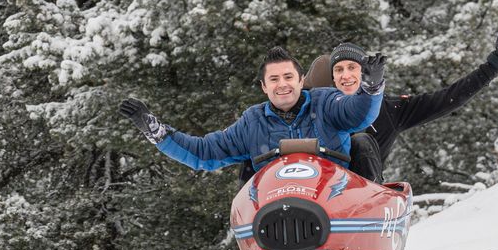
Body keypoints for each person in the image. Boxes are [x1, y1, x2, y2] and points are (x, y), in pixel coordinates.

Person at [238, 17, 498, 184]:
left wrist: (496, 63)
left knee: (361, 142)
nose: (346, 76)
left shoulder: (390, 110)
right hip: (309, 187)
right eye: (338, 70)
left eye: (353, 68)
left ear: (366, 72)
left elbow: (448, 99)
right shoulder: (312, 107)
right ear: (331, 78)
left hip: (357, 195)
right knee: (256, 150)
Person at [119, 46, 387, 176]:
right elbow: (204, 153)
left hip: (335, 199)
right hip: (279, 206)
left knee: (361, 142)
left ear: (300, 80)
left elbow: (358, 113)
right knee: (248, 168)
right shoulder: (253, 122)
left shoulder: (325, 103)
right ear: (264, 86)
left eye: (288, 77)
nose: (282, 84)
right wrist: (158, 133)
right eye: (274, 79)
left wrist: (371, 87)